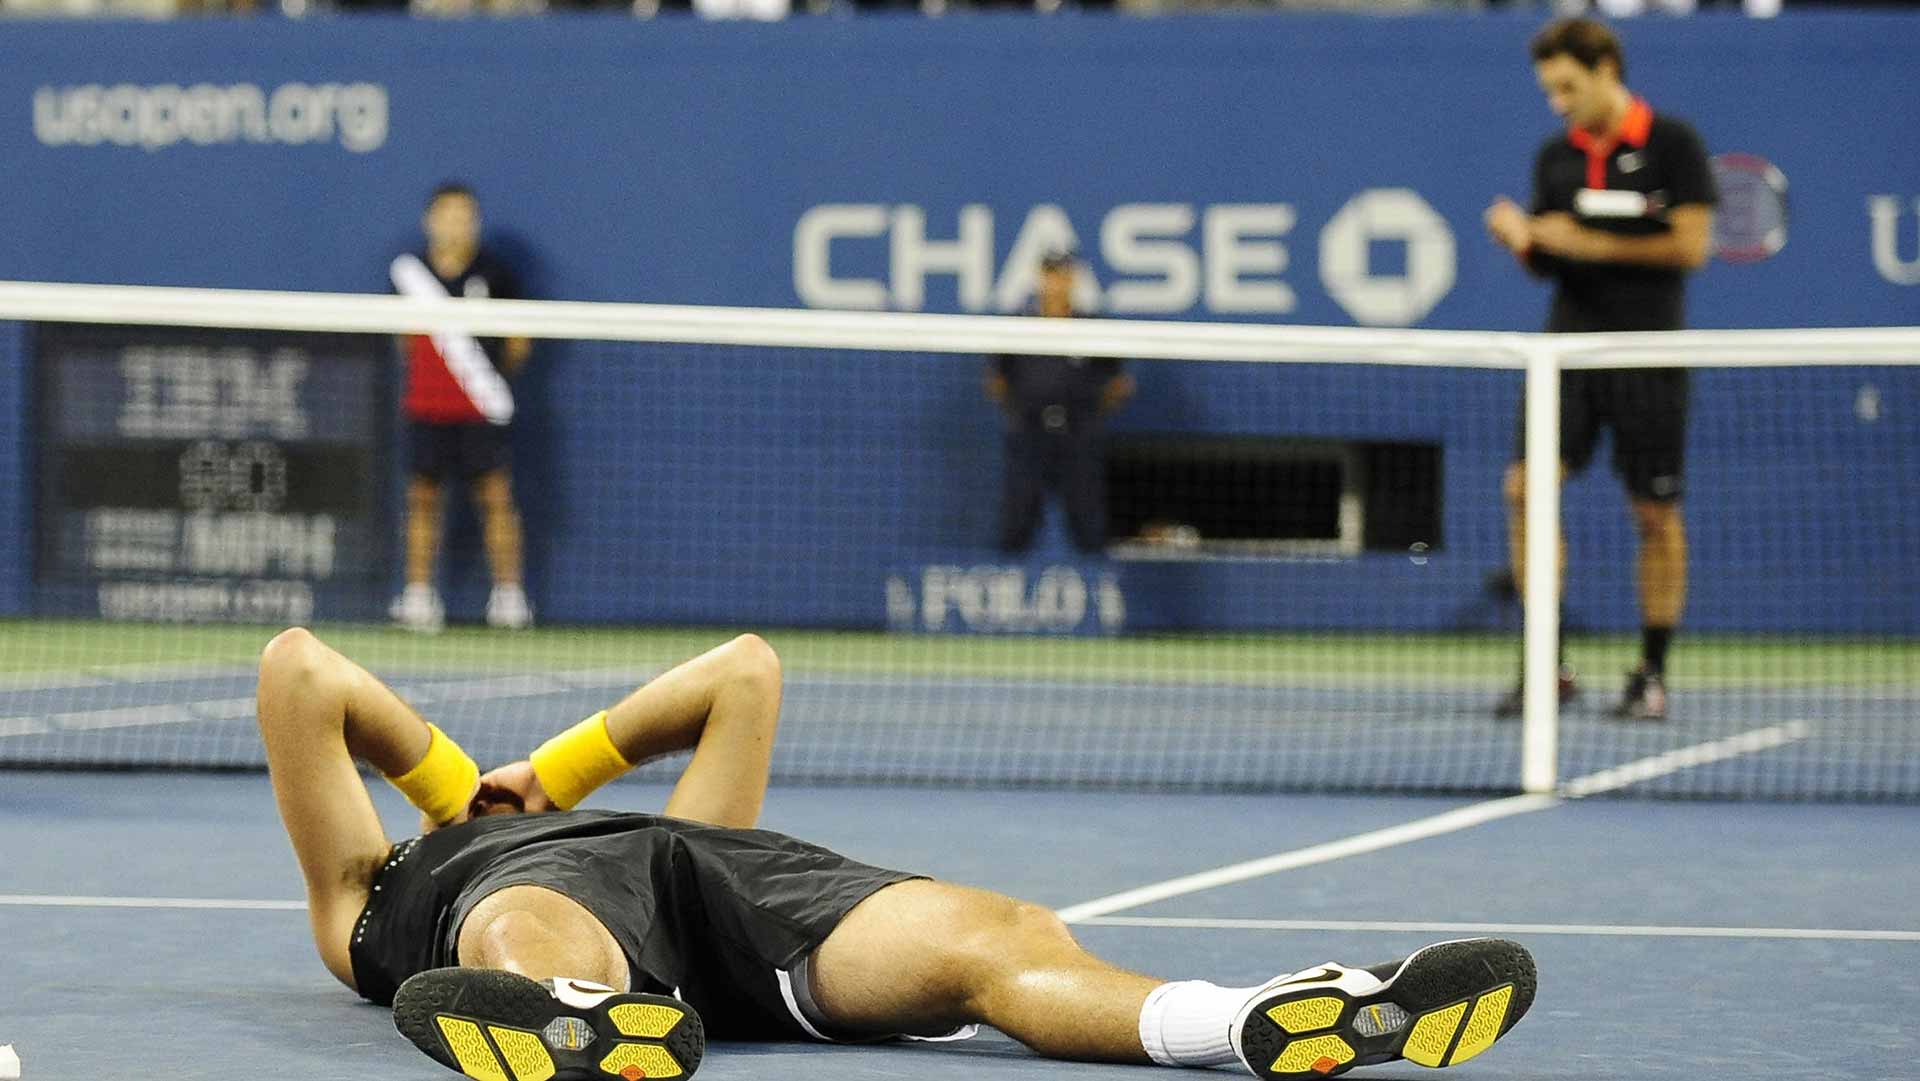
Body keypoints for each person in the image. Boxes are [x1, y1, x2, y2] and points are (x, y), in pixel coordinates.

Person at [256, 626, 1536, 1081]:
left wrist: (548, 773)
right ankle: (579, 1026)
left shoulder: (685, 821)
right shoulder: (367, 892)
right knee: (523, 923)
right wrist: (452, 806)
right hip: (531, 915)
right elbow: (298, 671)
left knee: (1004, 936)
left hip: (731, 896)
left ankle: (1243, 1019)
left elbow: (740, 673)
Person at [1483, 17, 1717, 721]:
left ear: (1606, 69)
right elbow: (1550, 259)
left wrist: (1582, 240)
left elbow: (1690, 247)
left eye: (1567, 87)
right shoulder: (1555, 156)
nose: (1557, 101)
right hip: (1568, 349)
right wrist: (1525, 242)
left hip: (1647, 352)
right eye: (1549, 89)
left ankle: (1650, 672)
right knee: (1526, 490)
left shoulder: (1673, 144)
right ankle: (1546, 663)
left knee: (1654, 513)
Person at [389, 182, 535, 633]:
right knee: (422, 499)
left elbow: (518, 342)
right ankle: (418, 598)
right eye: (448, 214)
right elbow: (404, 341)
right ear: (430, 220)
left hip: (482, 406)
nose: (457, 224)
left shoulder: (497, 274)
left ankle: (509, 599)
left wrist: (483, 384)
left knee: (495, 497)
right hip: (427, 408)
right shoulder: (410, 276)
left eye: (465, 215)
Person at [986, 249, 1135, 554]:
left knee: (1087, 520)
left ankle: (1096, 581)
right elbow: (997, 379)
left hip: (1078, 435)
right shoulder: (1017, 325)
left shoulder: (1093, 326)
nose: (1056, 282)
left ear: (1073, 278)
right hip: (1029, 434)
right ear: (1040, 277)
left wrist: (1090, 414)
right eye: (1050, 273)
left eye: (1063, 273)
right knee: (1017, 519)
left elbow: (1119, 383)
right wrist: (1018, 411)